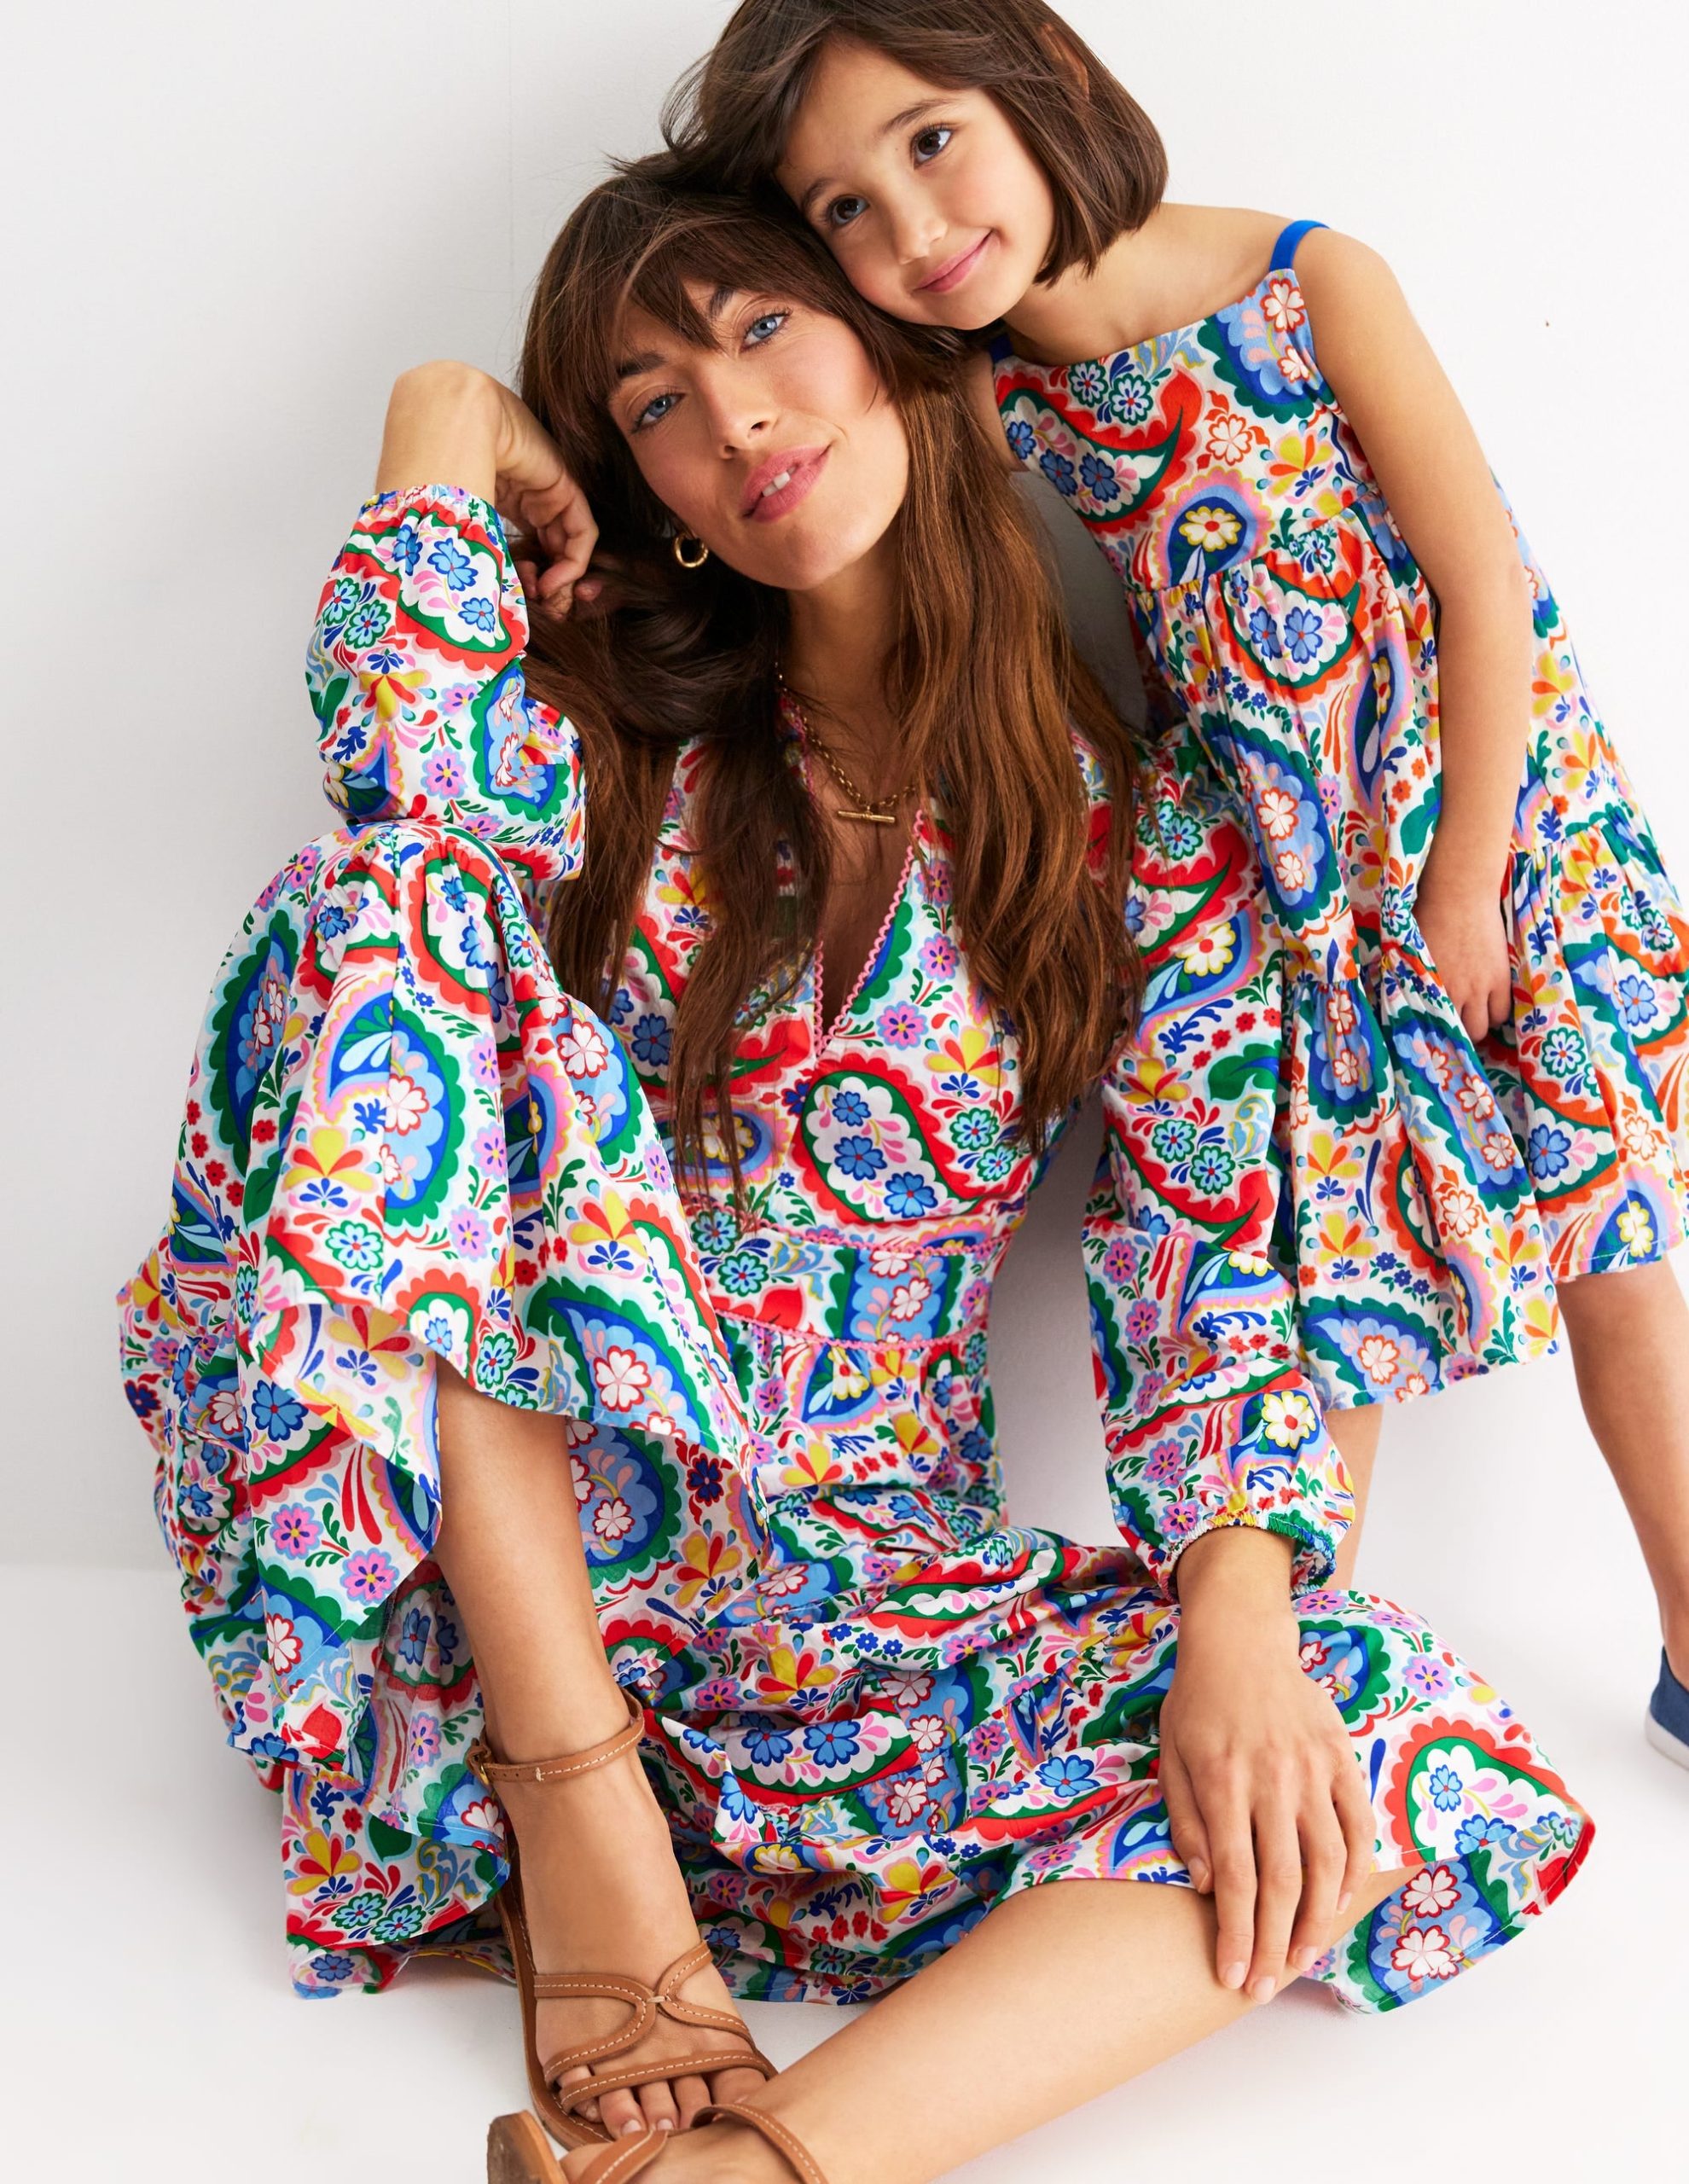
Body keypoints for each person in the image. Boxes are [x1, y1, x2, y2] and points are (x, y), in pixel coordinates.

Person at [119, 166, 1590, 2184]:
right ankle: (580, 1817)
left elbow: (1212, 1274)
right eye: (651, 401)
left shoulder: (1134, 836)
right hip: (510, 1613)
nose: (731, 419)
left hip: (861, 1655)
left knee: (1381, 1728)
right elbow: (393, 812)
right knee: (381, 912)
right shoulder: (599, 748)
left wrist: (1245, 1617)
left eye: (761, 332)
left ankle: (737, 2173)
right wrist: (442, 412)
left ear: (899, 355)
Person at [675, 0, 1689, 1745]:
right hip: (1274, 886)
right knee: (1329, 1273)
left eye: (932, 141)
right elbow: (843, 503)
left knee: (1615, 1227)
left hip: (1483, 818)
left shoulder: (1303, 280)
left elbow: (1483, 581)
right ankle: (1298, 1686)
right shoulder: (991, 392)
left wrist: (1465, 874)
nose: (914, 226)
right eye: (844, 207)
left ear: (1041, 80)